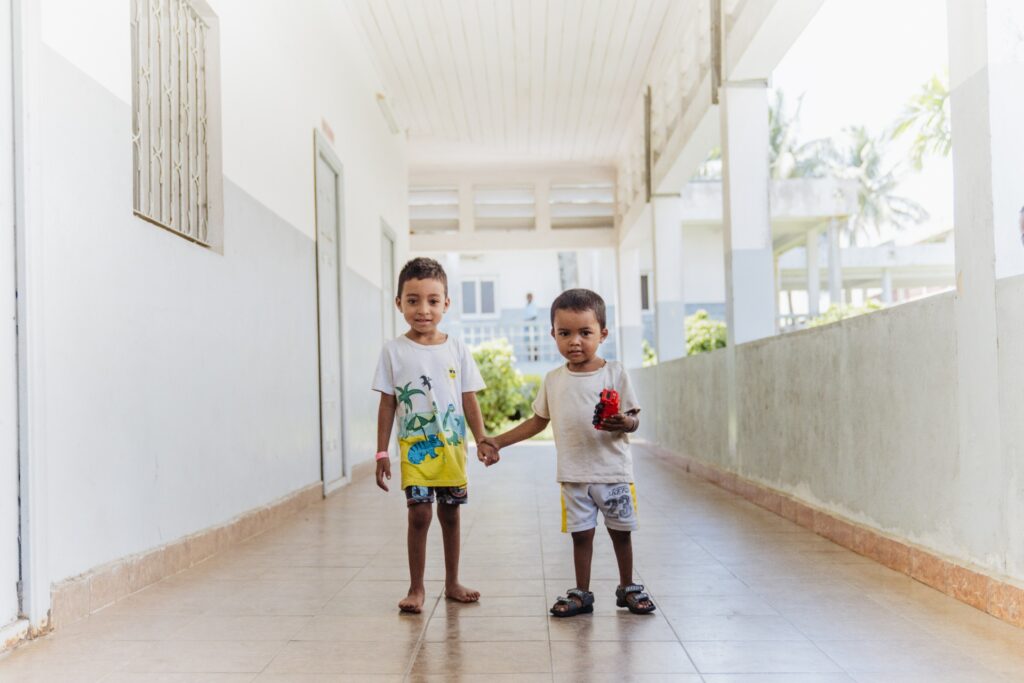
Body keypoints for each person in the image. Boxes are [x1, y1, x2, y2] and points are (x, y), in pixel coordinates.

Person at [484, 288, 656, 617]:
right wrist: (498, 441)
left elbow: (634, 419)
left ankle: (628, 587)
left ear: (603, 334)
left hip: (613, 473)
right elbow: (537, 421)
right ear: (553, 334)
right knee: (581, 536)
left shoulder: (615, 373)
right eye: (565, 333)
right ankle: (582, 593)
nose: (574, 341)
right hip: (573, 476)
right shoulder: (553, 380)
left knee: (621, 533)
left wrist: (625, 422)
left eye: (585, 333)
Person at [372, 257, 499, 613]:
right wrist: (381, 453)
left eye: (432, 300)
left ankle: (452, 581)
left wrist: (482, 438)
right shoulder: (393, 351)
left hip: (452, 450)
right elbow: (387, 404)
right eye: (413, 300)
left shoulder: (456, 348)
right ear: (399, 303)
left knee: (451, 514)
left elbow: (468, 398)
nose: (423, 310)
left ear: (446, 303)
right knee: (419, 515)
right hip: (415, 451)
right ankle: (416, 588)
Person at [523, 292, 539, 361]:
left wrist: (528, 320)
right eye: (528, 297)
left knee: (534, 343)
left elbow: (534, 316)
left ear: (532, 298)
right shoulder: (526, 306)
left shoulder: (533, 306)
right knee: (529, 344)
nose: (529, 298)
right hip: (527, 327)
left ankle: (535, 358)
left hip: (532, 327)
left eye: (530, 297)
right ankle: (530, 358)